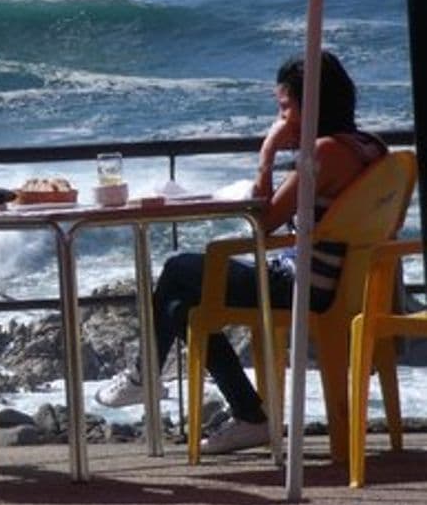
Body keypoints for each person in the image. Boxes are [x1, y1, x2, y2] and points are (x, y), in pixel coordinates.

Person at [95, 50, 387, 454]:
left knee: (178, 267)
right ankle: (248, 416)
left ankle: (146, 375)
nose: (281, 117)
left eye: (285, 108)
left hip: (304, 286)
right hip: (343, 284)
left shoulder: (323, 154)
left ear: (311, 102)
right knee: (180, 307)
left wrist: (268, 152)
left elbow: (264, 223)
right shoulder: (370, 146)